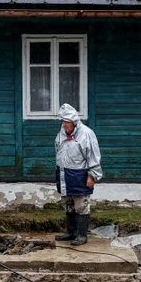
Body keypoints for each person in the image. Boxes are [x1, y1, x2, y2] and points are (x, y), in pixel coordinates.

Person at [54, 103, 102, 246]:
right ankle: (71, 232)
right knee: (68, 204)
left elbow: (93, 155)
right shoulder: (61, 134)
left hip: (80, 175)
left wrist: (92, 175)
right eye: (62, 121)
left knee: (81, 205)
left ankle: (82, 235)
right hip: (63, 175)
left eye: (66, 122)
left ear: (74, 122)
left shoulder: (86, 134)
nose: (64, 125)